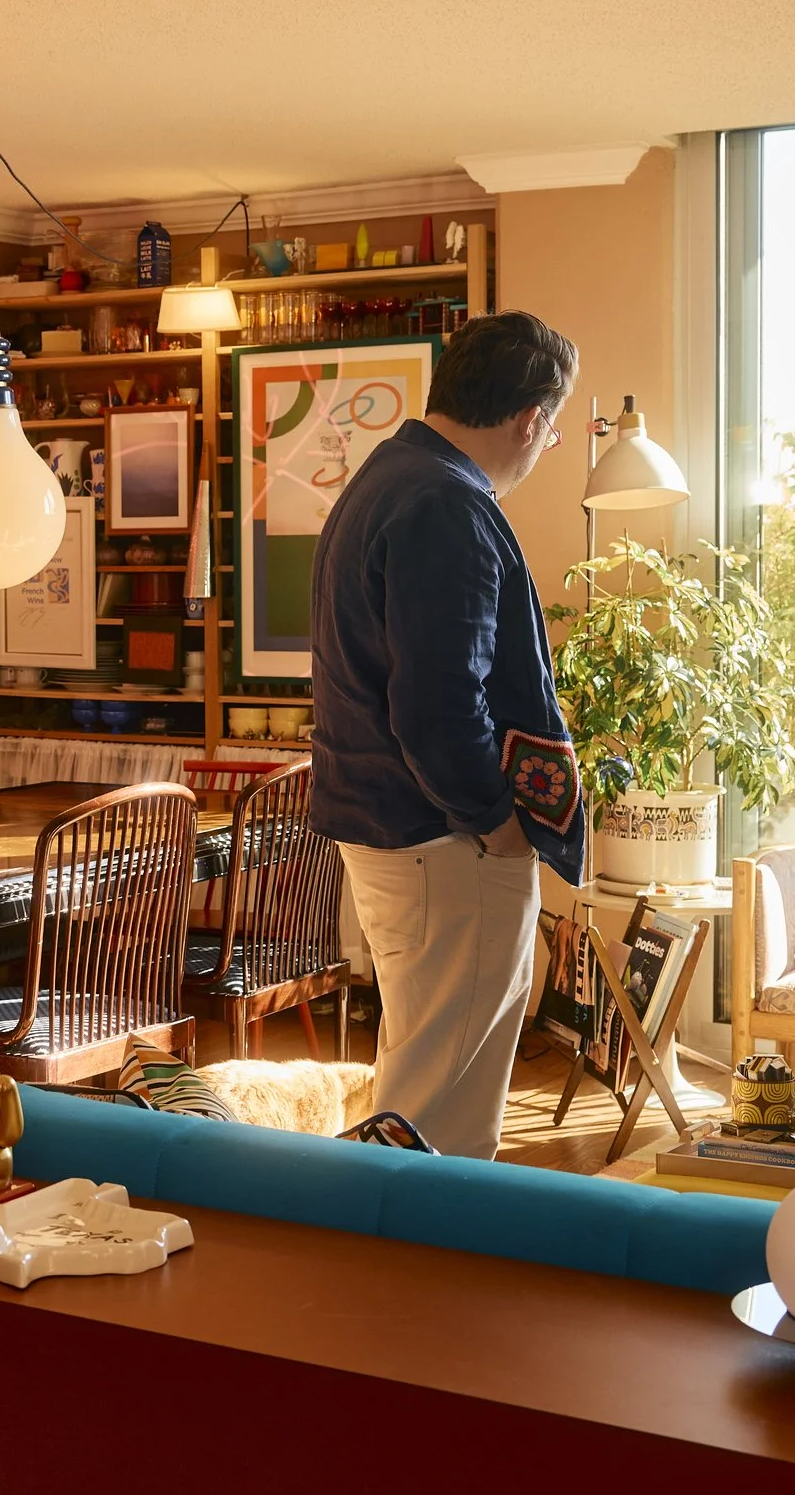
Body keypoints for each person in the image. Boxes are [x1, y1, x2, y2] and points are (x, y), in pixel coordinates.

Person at [307, 312, 586, 1159]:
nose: (545, 445)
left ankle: (390, 1242)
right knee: (440, 1114)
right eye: (553, 430)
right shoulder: (446, 503)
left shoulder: (390, 476)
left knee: (421, 1072)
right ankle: (403, 1249)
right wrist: (499, 825)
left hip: (397, 831)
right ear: (531, 419)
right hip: (446, 841)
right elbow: (437, 706)